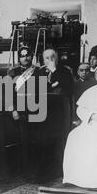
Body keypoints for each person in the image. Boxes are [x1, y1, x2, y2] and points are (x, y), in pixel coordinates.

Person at [36, 49, 73, 182]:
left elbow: (67, 88)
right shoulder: (39, 72)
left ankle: (59, 171)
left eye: (52, 57)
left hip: (59, 111)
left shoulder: (64, 71)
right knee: (43, 141)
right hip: (43, 110)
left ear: (57, 58)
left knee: (59, 140)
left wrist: (54, 71)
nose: (50, 60)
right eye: (46, 58)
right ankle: (45, 171)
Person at [8, 46, 43, 182]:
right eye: (22, 56)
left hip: (36, 111)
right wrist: (13, 110)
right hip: (19, 112)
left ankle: (35, 173)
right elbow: (8, 94)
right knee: (23, 143)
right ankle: (23, 173)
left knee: (35, 143)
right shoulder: (13, 72)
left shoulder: (38, 71)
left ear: (32, 56)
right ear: (19, 58)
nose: (25, 58)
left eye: (28, 55)